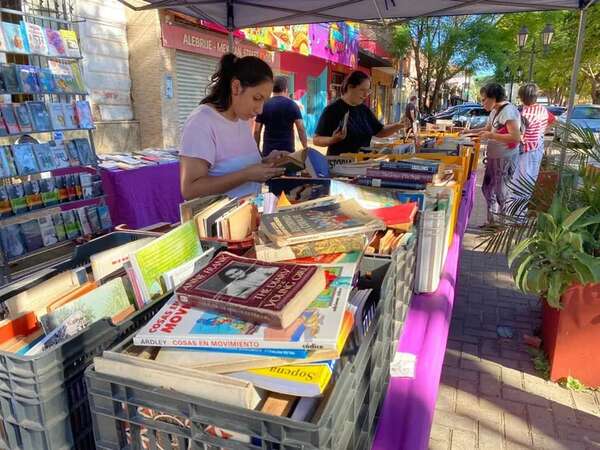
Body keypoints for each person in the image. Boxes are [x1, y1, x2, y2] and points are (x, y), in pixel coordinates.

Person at [179, 53, 285, 200]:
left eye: (264, 102)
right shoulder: (201, 122)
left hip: (249, 213)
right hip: (220, 221)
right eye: (257, 98)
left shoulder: (242, 119)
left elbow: (239, 166)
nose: (260, 110)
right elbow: (190, 190)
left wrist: (266, 162)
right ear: (236, 87)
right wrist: (246, 175)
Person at [467, 83, 521, 227]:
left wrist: (491, 135)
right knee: (487, 188)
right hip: (494, 157)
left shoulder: (508, 111)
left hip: (505, 158)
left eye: (484, 99)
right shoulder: (494, 111)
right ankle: (492, 222)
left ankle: (501, 226)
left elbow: (516, 137)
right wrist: (468, 132)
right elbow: (487, 128)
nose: (482, 102)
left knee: (502, 193)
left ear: (493, 98)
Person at [313, 71, 405, 156]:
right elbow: (316, 140)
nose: (365, 95)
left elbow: (380, 131)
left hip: (362, 164)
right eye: (362, 90)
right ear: (350, 87)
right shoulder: (332, 110)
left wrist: (399, 125)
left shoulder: (364, 109)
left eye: (368, 91)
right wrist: (333, 139)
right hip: (340, 166)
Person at [253, 76, 308, 156]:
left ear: (272, 89)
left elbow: (256, 131)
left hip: (268, 153)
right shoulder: (292, 105)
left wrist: (257, 149)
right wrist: (305, 147)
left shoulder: (264, 105)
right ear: (285, 89)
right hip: (287, 152)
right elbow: (301, 129)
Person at [516, 83, 555, 184]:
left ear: (522, 97)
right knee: (530, 179)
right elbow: (554, 121)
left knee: (519, 181)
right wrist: (542, 132)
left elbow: (518, 135)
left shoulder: (521, 113)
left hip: (524, 151)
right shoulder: (542, 110)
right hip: (537, 148)